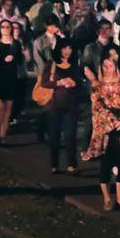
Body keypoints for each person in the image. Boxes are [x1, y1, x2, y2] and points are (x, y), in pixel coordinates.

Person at [83, 48, 120, 211]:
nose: (107, 68)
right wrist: (113, 120)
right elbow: (96, 107)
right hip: (104, 128)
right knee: (105, 163)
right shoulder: (97, 85)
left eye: (110, 65)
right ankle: (107, 198)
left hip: (119, 127)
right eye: (104, 65)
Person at [41, 40, 84, 174]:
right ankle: (54, 164)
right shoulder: (52, 65)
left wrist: (74, 83)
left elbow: (80, 84)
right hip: (54, 104)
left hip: (70, 105)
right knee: (54, 136)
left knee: (70, 136)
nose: (68, 51)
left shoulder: (75, 66)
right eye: (65, 48)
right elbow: (44, 82)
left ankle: (71, 164)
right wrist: (59, 82)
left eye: (70, 48)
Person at [0, 21, 25, 146]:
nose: (5, 29)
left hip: (11, 78)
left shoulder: (15, 44)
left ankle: (3, 134)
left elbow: (20, 60)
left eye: (8, 27)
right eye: (3, 27)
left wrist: (14, 57)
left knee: (8, 107)